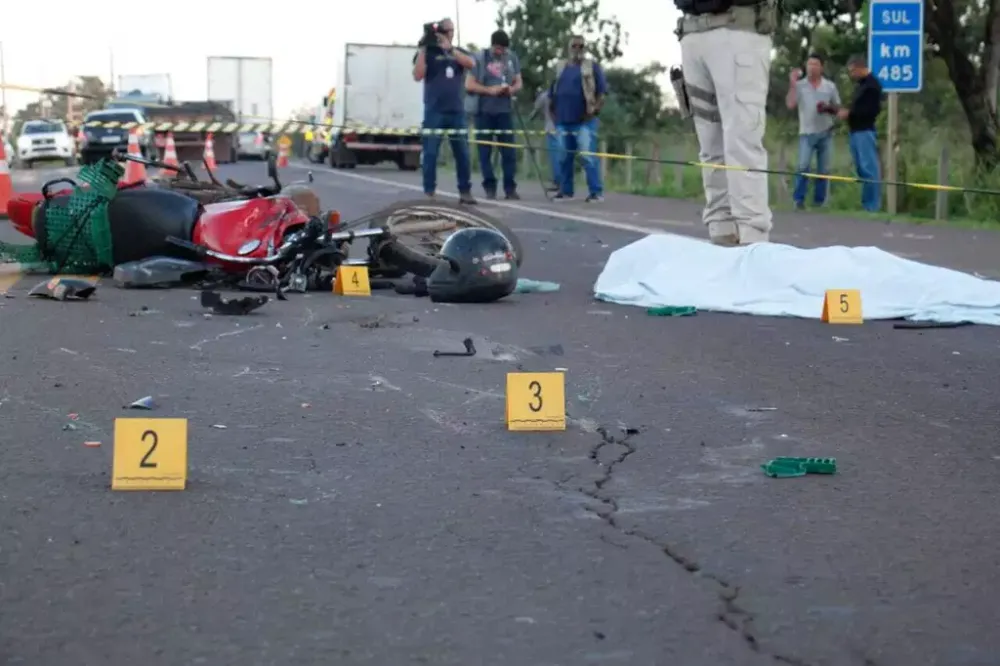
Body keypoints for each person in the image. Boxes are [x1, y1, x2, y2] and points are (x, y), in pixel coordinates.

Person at [673, 0, 778, 245]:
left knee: (741, 140)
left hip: (737, 27)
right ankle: (722, 231)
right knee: (710, 144)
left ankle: (752, 237)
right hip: (693, 31)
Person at [412, 18, 478, 204]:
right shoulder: (428, 52)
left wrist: (451, 49)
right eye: (446, 30)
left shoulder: (458, 52)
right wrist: (424, 48)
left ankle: (465, 191)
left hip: (456, 110)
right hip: (434, 110)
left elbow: (471, 64)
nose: (449, 33)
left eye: (451, 30)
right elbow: (418, 75)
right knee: (431, 153)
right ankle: (429, 192)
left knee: (462, 153)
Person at [465, 30, 523, 200]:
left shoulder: (511, 58)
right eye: (498, 49)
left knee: (509, 152)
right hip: (484, 111)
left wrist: (511, 89)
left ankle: (510, 187)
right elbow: (469, 84)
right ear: (492, 45)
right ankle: (489, 186)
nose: (501, 52)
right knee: (485, 152)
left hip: (505, 111)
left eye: (504, 49)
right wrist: (489, 90)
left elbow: (519, 81)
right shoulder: (479, 58)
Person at [549, 35, 606, 202]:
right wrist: (552, 113)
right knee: (563, 157)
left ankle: (596, 192)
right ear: (569, 48)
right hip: (562, 120)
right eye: (574, 46)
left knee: (587, 156)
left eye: (581, 46)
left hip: (584, 121)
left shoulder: (592, 67)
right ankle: (566, 191)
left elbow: (602, 92)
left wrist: (595, 110)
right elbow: (552, 92)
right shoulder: (561, 68)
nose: (577, 49)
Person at [786, 53, 840, 210]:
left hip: (826, 131)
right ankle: (798, 200)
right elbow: (790, 104)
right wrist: (792, 83)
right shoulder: (800, 85)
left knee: (824, 169)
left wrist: (828, 108)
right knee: (803, 166)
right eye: (809, 64)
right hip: (806, 132)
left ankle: (819, 202)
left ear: (821, 67)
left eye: (815, 64)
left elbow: (838, 107)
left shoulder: (829, 86)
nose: (812, 67)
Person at [837, 54, 883, 212]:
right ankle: (866, 203)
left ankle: (872, 205)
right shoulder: (861, 85)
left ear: (860, 67)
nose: (851, 74)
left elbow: (871, 110)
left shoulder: (872, 85)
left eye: (852, 71)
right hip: (855, 130)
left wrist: (850, 113)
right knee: (862, 169)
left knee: (869, 169)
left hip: (865, 131)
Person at [531, 89, 562, 191]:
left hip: (551, 127)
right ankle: (565, 181)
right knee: (564, 154)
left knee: (554, 155)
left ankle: (557, 181)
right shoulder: (561, 93)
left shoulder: (544, 96)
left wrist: (531, 119)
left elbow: (535, 111)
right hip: (564, 128)